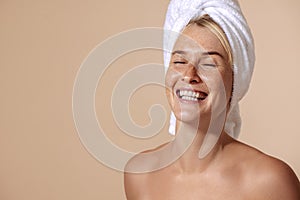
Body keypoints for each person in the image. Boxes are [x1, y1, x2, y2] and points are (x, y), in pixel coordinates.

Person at [124, 0, 300, 199]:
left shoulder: (270, 182)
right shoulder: (139, 173)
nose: (189, 75)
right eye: (180, 61)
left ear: (235, 81)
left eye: (209, 64)